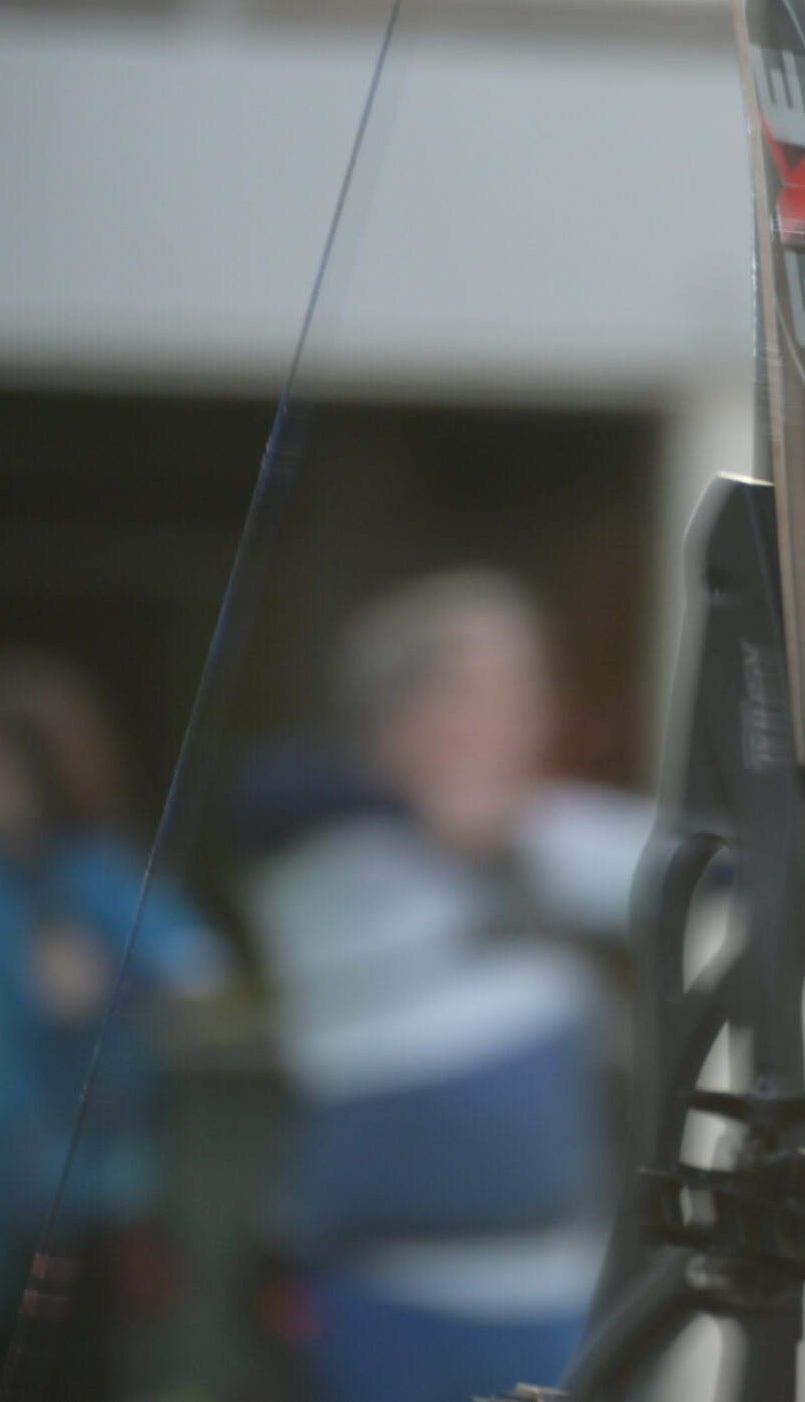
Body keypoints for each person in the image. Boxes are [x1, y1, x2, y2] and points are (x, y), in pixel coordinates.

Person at [235, 568, 648, 1402]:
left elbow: (722, 861)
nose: (526, 713)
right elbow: (261, 788)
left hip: (549, 1292)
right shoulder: (321, 848)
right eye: (490, 690)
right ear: (406, 709)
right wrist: (415, 806)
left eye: (526, 689)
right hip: (381, 1300)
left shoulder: (547, 832)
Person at [0, 649, 229, 1402]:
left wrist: (109, 981)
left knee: (70, 1375)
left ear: (31, 763)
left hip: (73, 1204)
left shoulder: (94, 872)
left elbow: (200, 972)